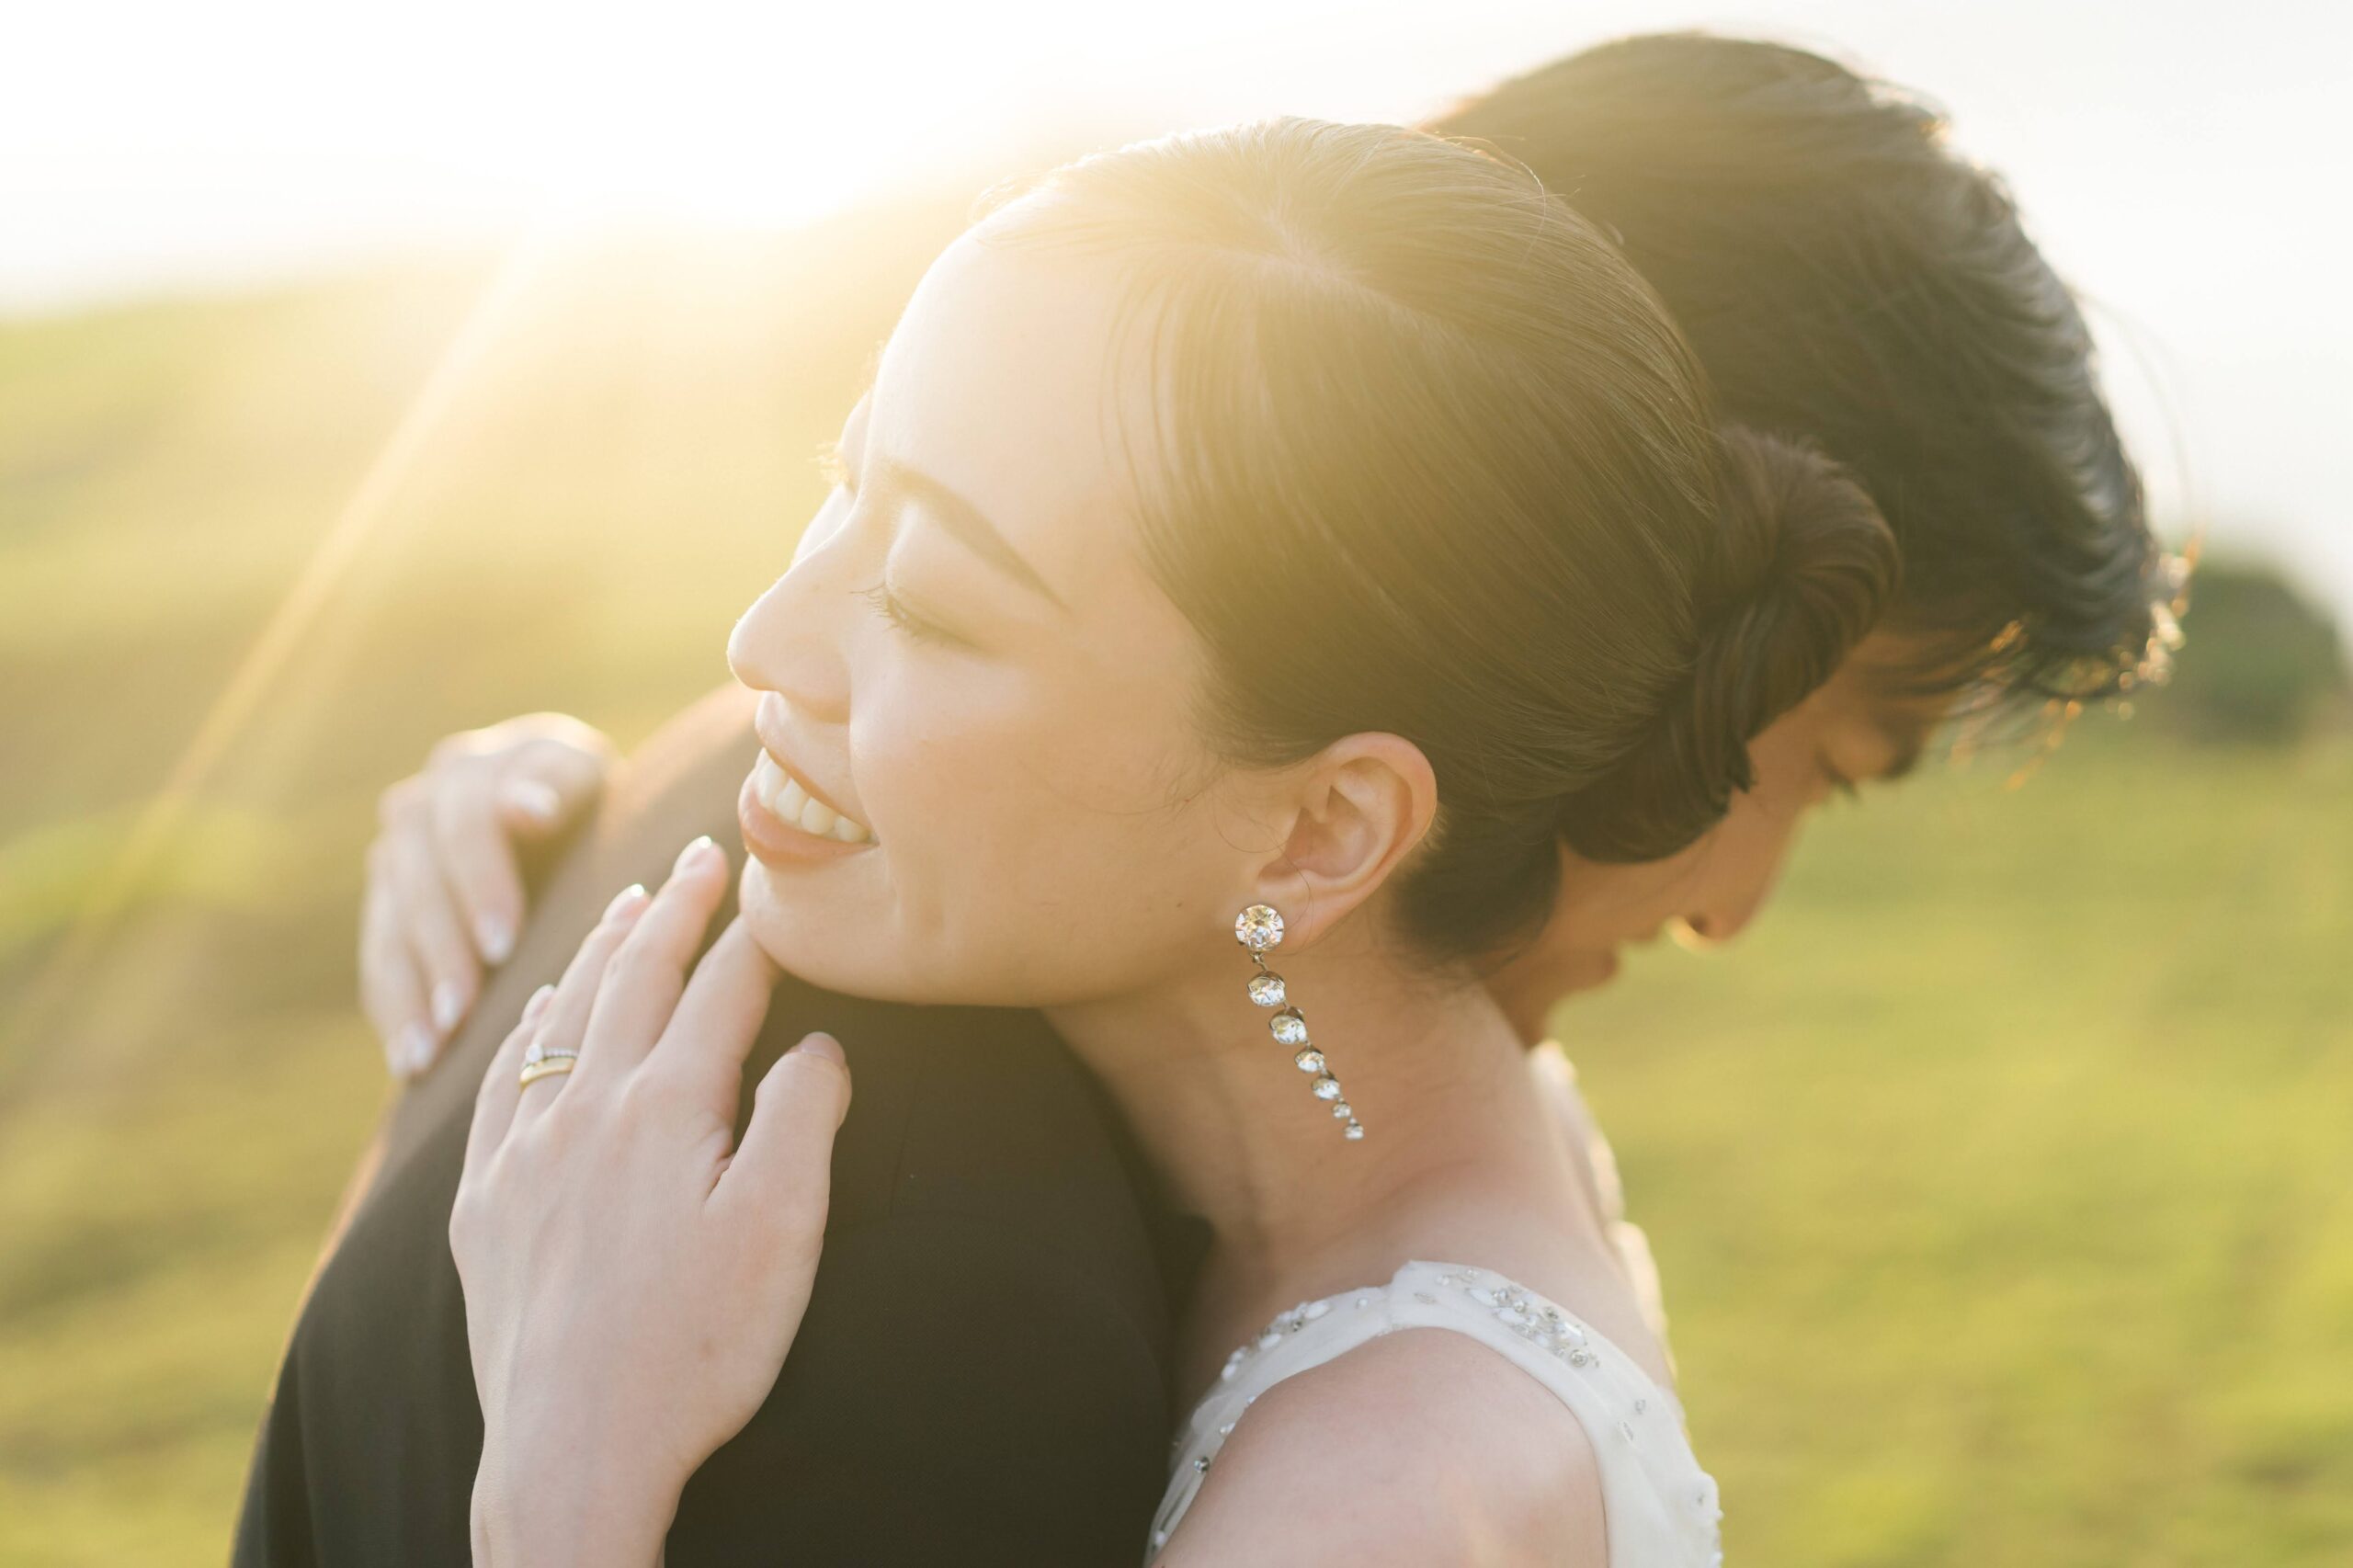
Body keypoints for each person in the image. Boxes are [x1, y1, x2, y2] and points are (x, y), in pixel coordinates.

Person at [235, 36, 2165, 1568]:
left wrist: (559, 1500)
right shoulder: (923, 1210)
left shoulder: (1390, 1450)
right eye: (1795, 741)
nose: (1727, 893)